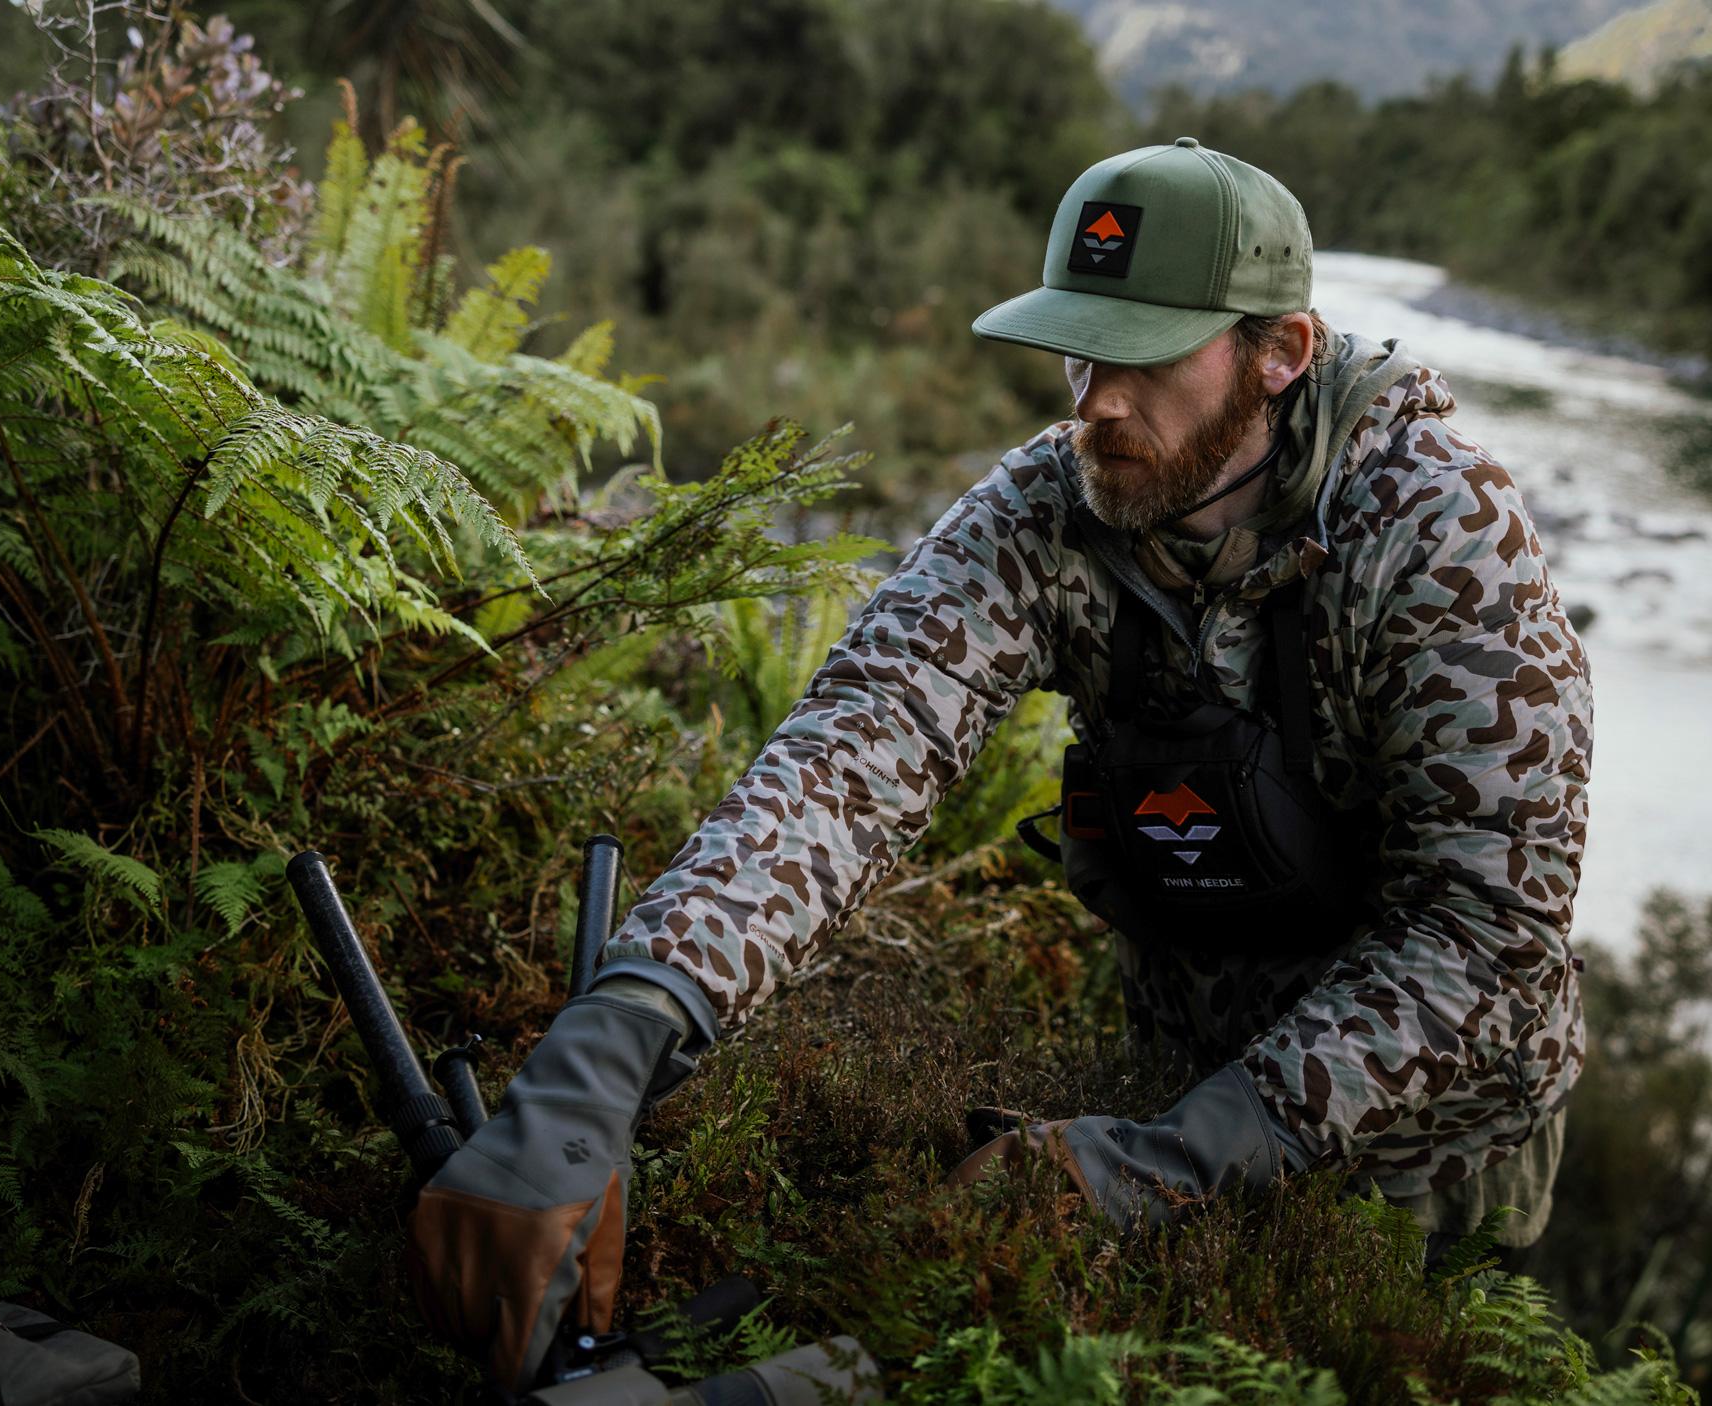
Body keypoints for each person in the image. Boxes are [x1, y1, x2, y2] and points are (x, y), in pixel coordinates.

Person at [405, 138, 1594, 1388]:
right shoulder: (1056, 500)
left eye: (1144, 357)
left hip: (1423, 1159)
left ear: (1280, 351)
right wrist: (612, 1045)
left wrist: (1170, 1161)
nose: (1095, 402)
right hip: (1167, 1068)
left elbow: (1486, 935)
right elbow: (853, 749)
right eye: (1078, 349)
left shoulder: (1441, 535)